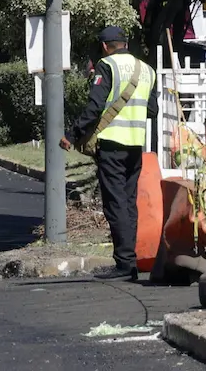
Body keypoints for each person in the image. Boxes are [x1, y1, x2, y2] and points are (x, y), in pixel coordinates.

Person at [60, 25, 159, 281]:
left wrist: (72, 135)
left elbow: (95, 106)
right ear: (125, 43)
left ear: (105, 46)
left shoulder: (107, 66)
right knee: (128, 203)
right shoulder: (147, 70)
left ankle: (124, 265)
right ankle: (131, 262)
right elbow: (152, 111)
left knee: (115, 204)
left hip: (112, 143)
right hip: (135, 144)